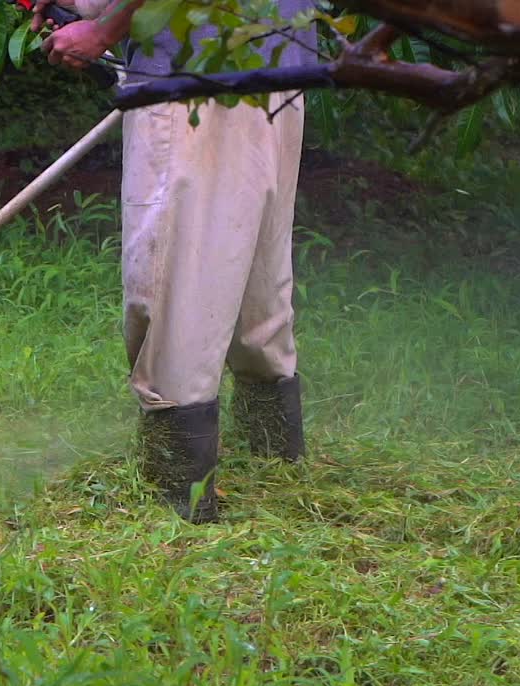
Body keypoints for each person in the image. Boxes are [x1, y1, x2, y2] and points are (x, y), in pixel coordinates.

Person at [33, 0, 315, 523]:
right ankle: (274, 457)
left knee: (173, 279)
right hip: (281, 62)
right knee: (256, 271)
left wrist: (103, 29)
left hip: (196, 83)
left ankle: (177, 492)